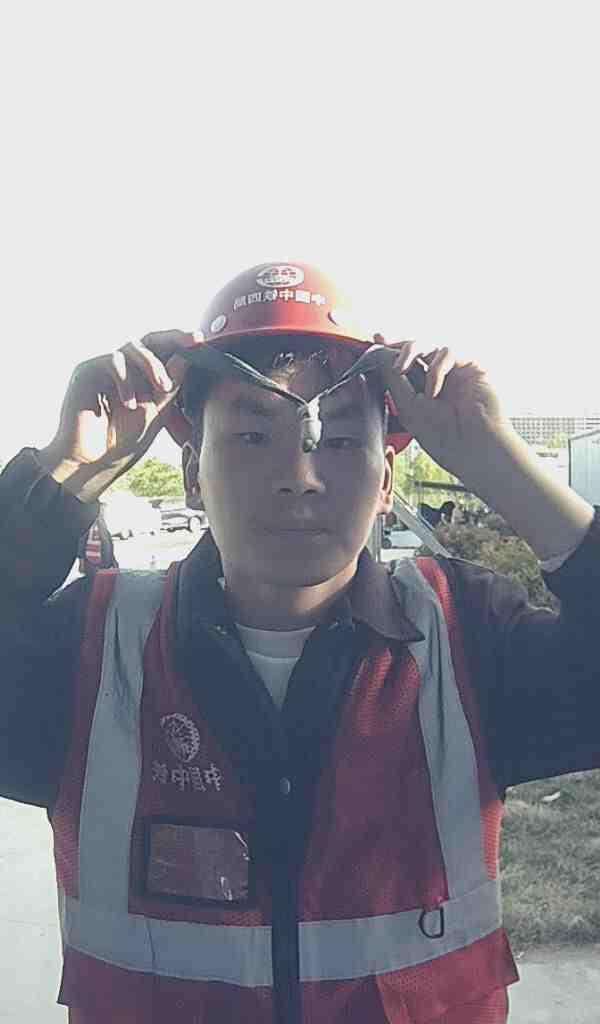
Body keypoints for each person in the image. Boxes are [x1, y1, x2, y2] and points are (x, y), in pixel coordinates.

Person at [0, 260, 599, 1024]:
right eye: (253, 435)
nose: (300, 476)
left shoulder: (467, 638)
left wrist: (500, 464)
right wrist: (64, 472)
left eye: (340, 440)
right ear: (192, 473)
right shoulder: (89, 650)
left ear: (387, 480)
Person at [76, 505, 118, 575]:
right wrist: (81, 563)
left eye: (103, 512)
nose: (102, 514)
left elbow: (109, 545)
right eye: (101, 512)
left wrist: (113, 561)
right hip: (90, 563)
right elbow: (81, 545)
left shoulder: (103, 526)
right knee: (91, 580)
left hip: (102, 564)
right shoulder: (87, 525)